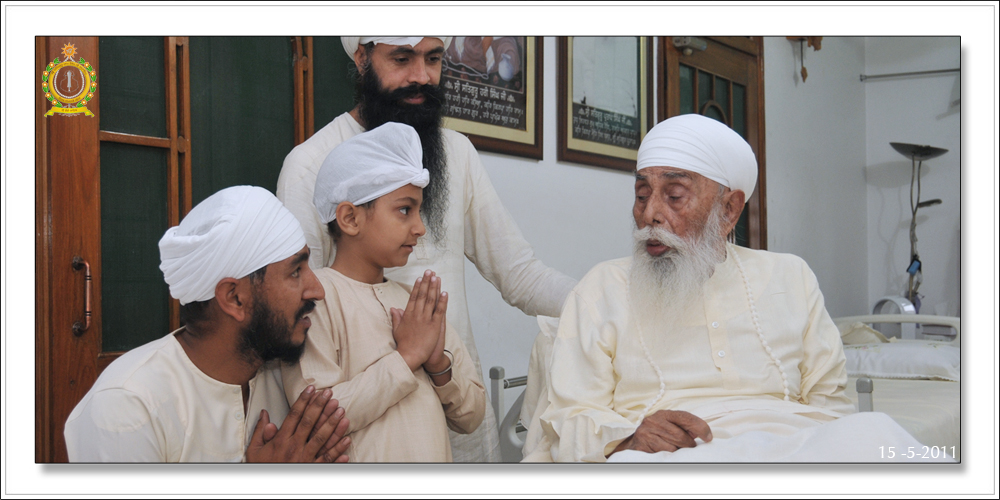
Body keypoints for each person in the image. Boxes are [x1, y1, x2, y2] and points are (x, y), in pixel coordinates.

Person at [523, 114, 945, 463]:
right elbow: (568, 418)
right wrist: (629, 435)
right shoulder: (602, 287)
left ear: (729, 210)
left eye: (674, 195)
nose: (650, 214)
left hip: (794, 446)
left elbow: (829, 402)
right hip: (670, 454)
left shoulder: (790, 276)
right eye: (641, 194)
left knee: (875, 434)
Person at [276, 36, 576, 462]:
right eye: (401, 58)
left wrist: (604, 299)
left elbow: (520, 274)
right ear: (362, 58)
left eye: (433, 59)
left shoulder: (456, 152)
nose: (421, 76)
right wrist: (404, 358)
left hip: (459, 423)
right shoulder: (311, 164)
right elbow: (297, 305)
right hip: (361, 441)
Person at [64, 186, 351, 462]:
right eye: (295, 272)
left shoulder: (287, 378)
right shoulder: (128, 406)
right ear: (234, 298)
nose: (318, 290)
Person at [281, 122, 485, 462]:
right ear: (350, 218)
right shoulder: (315, 302)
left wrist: (437, 364)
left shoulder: (417, 305)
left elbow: (472, 416)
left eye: (419, 211)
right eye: (405, 210)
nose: (420, 228)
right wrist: (407, 358)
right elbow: (316, 420)